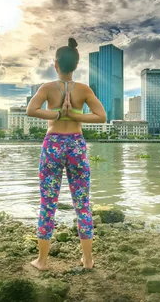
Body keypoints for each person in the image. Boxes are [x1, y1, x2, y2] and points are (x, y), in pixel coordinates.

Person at [26, 38, 107, 271]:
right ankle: (88, 260)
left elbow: (31, 110)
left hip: (52, 146)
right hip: (76, 146)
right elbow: (101, 116)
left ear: (56, 65)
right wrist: (75, 115)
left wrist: (58, 115)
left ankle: (42, 261)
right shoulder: (83, 89)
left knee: (47, 204)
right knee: (82, 204)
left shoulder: (47, 88)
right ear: (76, 65)